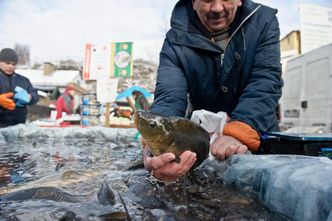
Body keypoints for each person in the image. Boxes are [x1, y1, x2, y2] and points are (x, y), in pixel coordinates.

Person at [142, 0, 283, 182]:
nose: (217, 8)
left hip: (257, 131)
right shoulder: (174, 39)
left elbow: (265, 81)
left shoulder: (264, 21)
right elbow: (169, 96)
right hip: (202, 141)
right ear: (193, 2)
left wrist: (239, 132)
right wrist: (155, 150)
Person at [0, 48, 39, 127]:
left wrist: (30, 97)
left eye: (13, 64)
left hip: (18, 126)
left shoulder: (24, 80)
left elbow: (34, 94)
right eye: (7, 63)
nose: (10, 66)